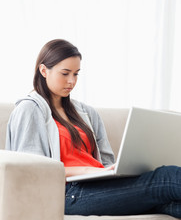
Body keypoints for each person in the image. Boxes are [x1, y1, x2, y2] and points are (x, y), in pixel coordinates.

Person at [6, 39, 181, 218]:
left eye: (76, 74)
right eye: (65, 73)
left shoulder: (86, 112)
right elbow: (34, 171)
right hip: (69, 194)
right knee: (167, 177)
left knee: (172, 205)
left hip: (99, 184)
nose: (71, 81)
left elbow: (106, 162)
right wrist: (90, 171)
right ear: (44, 70)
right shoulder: (29, 109)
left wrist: (113, 171)